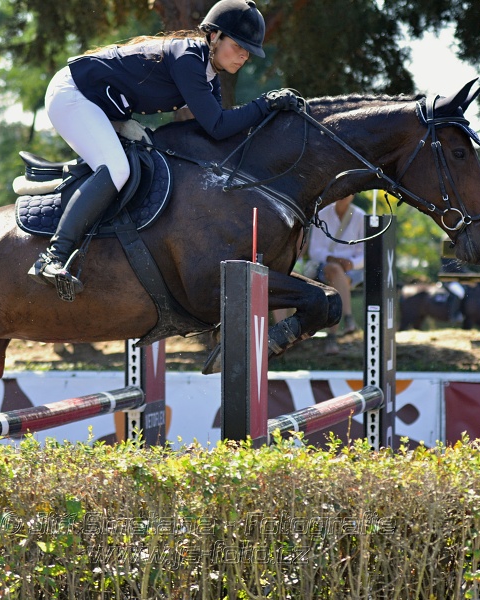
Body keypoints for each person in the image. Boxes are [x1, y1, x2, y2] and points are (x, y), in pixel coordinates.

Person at [29, 0, 301, 301]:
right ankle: (52, 256)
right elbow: (218, 125)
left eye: (248, 51)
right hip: (73, 95)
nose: (244, 56)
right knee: (117, 169)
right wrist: (266, 104)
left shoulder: (207, 70)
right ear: (214, 36)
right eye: (238, 46)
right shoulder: (188, 59)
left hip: (100, 104)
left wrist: (268, 112)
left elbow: (219, 129)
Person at [302, 195, 366, 355]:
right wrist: (331, 259)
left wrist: (351, 263)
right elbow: (314, 250)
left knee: (336, 283)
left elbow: (365, 253)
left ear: (353, 195)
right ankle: (347, 318)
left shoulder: (360, 216)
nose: (344, 196)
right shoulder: (322, 213)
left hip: (351, 270)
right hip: (324, 267)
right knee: (335, 272)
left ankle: (332, 338)